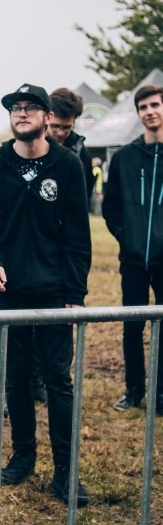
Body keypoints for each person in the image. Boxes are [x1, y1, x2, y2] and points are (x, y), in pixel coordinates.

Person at [0, 83, 92, 506]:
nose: (21, 114)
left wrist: (75, 294)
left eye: (30, 108)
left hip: (56, 293)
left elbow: (78, 236)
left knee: (58, 379)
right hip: (10, 292)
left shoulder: (67, 165)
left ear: (45, 116)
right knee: (16, 378)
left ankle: (66, 472)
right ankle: (23, 456)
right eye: (15, 108)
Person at [102, 84, 163, 413]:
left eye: (155, 105)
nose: (149, 111)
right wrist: (129, 238)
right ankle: (134, 389)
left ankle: (161, 394)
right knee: (132, 326)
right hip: (134, 259)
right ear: (138, 114)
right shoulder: (125, 157)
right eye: (143, 107)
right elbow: (110, 207)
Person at [47, 88, 94, 201]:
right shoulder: (31, 146)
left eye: (67, 127)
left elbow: (86, 193)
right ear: (47, 117)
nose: (60, 132)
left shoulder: (81, 151)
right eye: (55, 126)